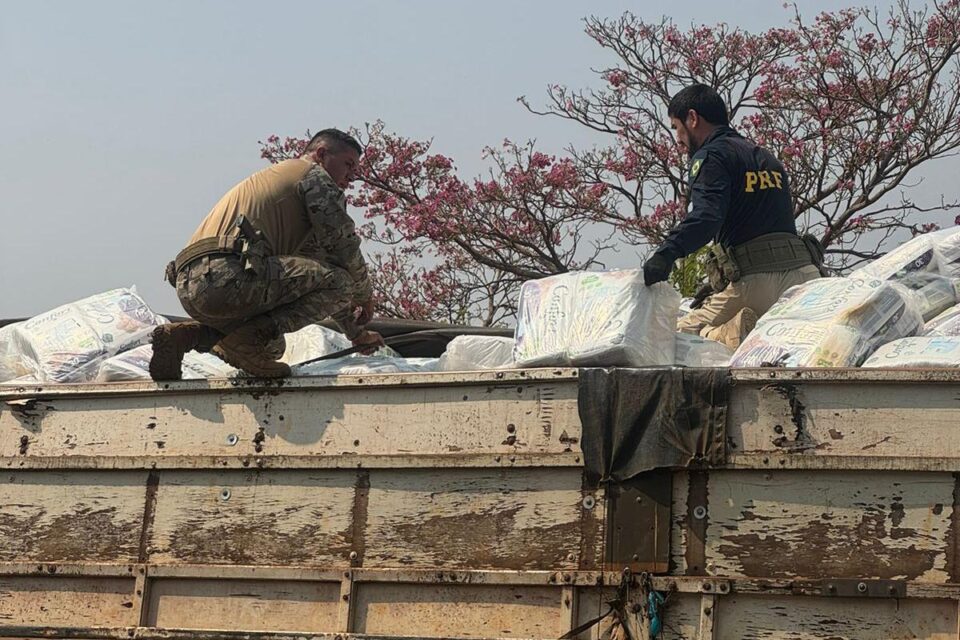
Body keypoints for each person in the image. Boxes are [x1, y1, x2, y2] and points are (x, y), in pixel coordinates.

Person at [150, 128, 384, 380]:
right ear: (321, 154)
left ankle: (185, 337)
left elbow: (319, 275)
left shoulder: (280, 179)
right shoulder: (314, 177)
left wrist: (356, 334)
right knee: (340, 284)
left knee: (271, 345)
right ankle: (244, 343)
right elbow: (342, 248)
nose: (351, 177)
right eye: (348, 165)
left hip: (192, 284)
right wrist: (364, 295)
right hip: (228, 276)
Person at [642, 84, 822, 349]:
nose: (678, 139)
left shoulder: (711, 156)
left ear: (692, 118)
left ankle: (725, 334)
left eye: (676, 127)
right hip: (806, 279)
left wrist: (666, 254)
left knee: (671, 338)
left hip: (754, 284)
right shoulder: (766, 157)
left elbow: (707, 217)